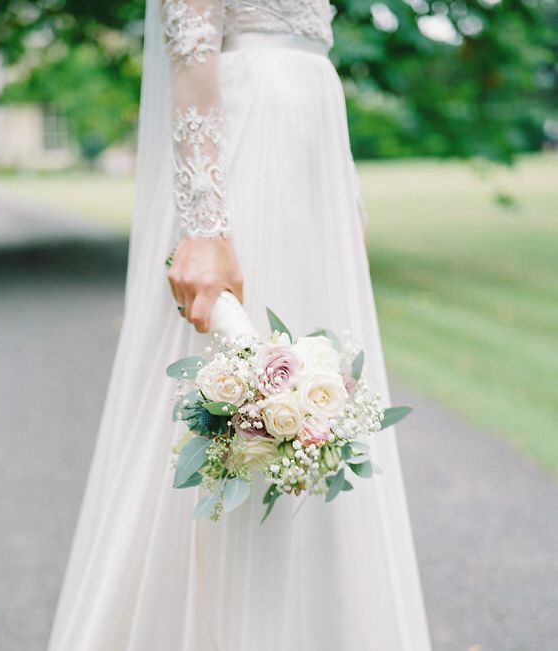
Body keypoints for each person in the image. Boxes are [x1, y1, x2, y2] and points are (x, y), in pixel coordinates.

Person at [46, 1, 434, 649]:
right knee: (245, 403)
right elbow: (192, 31)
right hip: (253, 136)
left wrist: (348, 194)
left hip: (312, 134)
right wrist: (204, 224)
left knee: (322, 403)